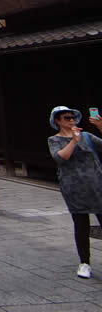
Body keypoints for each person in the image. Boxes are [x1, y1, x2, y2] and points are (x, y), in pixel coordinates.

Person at [47, 105, 102, 279]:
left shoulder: (87, 136)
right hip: (74, 187)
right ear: (58, 121)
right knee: (81, 225)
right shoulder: (54, 139)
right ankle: (84, 263)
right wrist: (73, 141)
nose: (71, 120)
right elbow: (60, 157)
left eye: (72, 117)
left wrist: (101, 127)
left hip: (97, 183)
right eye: (66, 118)